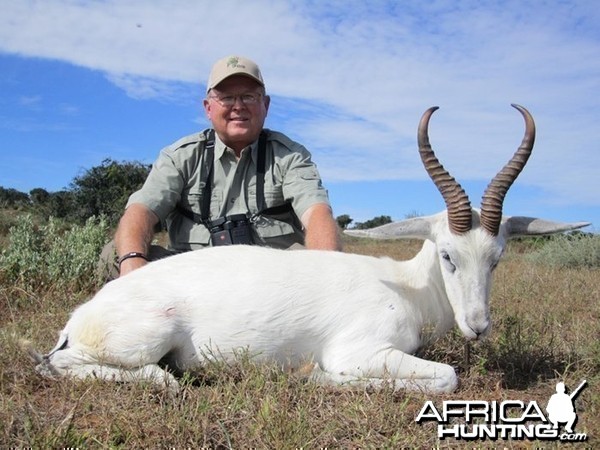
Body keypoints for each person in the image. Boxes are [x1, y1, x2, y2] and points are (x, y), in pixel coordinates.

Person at [100, 55, 341, 280]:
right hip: (195, 281)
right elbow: (140, 211)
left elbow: (317, 213)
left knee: (327, 269)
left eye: (249, 96)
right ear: (208, 107)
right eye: (226, 97)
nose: (238, 106)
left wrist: (324, 276)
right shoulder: (180, 156)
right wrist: (133, 269)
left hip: (271, 284)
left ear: (265, 105)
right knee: (115, 254)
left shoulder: (291, 156)